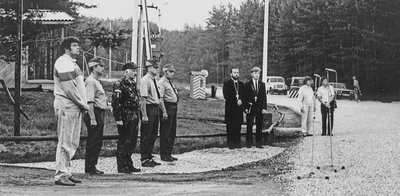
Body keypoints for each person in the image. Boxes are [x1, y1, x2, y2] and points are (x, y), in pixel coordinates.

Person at [53, 37, 89, 186]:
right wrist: (83, 104)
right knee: (65, 142)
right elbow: (69, 88)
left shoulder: (71, 63)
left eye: (78, 45)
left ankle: (66, 172)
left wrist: (81, 105)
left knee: (72, 142)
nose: (78, 48)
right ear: (67, 48)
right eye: (74, 45)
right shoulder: (63, 62)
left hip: (74, 107)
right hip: (67, 106)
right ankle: (60, 175)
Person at [112, 62, 141, 173]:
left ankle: (129, 163)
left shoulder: (132, 84)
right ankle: (122, 165)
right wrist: (118, 118)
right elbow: (116, 102)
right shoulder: (119, 84)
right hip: (125, 115)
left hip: (134, 114)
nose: (135, 72)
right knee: (124, 140)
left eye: (135, 70)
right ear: (126, 72)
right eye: (132, 70)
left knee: (132, 141)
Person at [83, 57, 106, 175]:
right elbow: (89, 101)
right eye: (100, 66)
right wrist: (92, 118)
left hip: (99, 112)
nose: (103, 68)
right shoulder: (91, 81)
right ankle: (90, 167)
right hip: (94, 112)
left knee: (98, 141)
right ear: (94, 67)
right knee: (93, 141)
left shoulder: (97, 81)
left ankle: (93, 165)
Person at [139, 60, 162, 167]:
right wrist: (144, 114)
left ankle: (149, 156)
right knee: (146, 134)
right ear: (148, 68)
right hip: (148, 108)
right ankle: (144, 159)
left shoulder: (154, 80)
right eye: (155, 67)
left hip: (155, 108)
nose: (157, 69)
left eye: (157, 67)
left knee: (153, 134)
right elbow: (143, 99)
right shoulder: (145, 80)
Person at [158, 63, 179, 162]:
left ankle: (169, 153)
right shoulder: (162, 82)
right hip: (168, 107)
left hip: (173, 108)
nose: (172, 73)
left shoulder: (169, 82)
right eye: (170, 71)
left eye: (173, 72)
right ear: (165, 72)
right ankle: (164, 154)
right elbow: (161, 98)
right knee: (165, 132)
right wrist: (164, 112)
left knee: (172, 132)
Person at [244, 67, 267, 148]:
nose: (257, 75)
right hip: (251, 107)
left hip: (259, 108)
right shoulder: (247, 84)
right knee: (249, 125)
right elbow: (245, 97)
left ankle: (258, 143)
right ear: (252, 74)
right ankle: (249, 143)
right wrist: (246, 108)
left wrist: (264, 108)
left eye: (258, 73)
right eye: (255, 73)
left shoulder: (262, 84)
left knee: (259, 125)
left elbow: (264, 97)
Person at [222, 67, 245, 149]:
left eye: (237, 72)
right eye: (234, 72)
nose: (236, 74)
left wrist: (241, 101)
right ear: (231, 74)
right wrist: (236, 101)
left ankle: (237, 143)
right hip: (230, 109)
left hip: (239, 110)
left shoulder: (242, 84)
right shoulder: (227, 84)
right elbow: (226, 96)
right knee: (230, 126)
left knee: (238, 126)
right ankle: (231, 144)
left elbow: (244, 96)